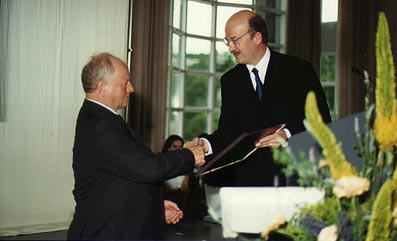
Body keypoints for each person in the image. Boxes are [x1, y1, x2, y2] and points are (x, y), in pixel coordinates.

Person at [67, 53, 205, 240]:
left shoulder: (99, 118)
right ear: (102, 87)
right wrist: (188, 155)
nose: (131, 89)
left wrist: (154, 208)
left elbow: (124, 178)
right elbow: (149, 168)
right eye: (125, 83)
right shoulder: (102, 125)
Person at [193, 10, 332, 188]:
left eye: (235, 40)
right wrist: (205, 144)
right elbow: (229, 133)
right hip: (249, 184)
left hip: (294, 178)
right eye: (227, 41)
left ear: (257, 37)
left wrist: (286, 134)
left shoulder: (298, 69)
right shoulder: (230, 80)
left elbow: (321, 120)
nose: (230, 48)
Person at [162, 135, 190, 210]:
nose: (178, 149)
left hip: (183, 202)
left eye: (180, 146)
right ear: (168, 148)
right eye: (175, 146)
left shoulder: (186, 165)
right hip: (165, 201)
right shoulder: (162, 165)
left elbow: (185, 189)